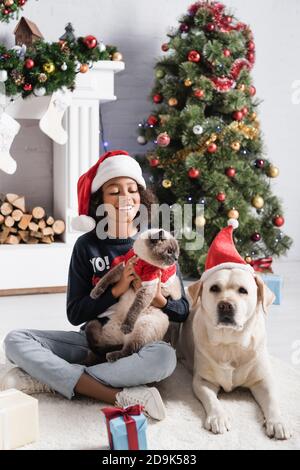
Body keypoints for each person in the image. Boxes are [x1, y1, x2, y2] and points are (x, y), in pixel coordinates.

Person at [1, 150, 189, 420]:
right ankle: (112, 393)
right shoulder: (87, 246)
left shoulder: (157, 242)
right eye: (114, 191)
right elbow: (75, 314)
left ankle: (51, 379)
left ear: (141, 197)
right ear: (100, 200)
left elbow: (183, 311)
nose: (125, 197)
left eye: (131, 189)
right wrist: (116, 288)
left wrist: (159, 299)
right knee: (15, 340)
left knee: (164, 359)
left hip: (138, 344)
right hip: (93, 341)